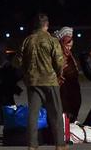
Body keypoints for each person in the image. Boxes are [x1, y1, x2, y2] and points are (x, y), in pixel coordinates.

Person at [18, 13, 66, 150]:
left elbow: (18, 61)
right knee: (55, 113)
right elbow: (58, 61)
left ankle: (32, 145)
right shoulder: (52, 40)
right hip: (50, 81)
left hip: (33, 82)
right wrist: (58, 74)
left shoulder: (28, 40)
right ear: (47, 25)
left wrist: (26, 72)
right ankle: (60, 144)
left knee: (33, 114)